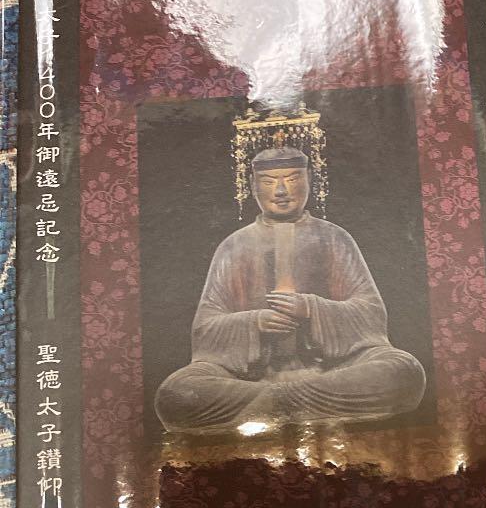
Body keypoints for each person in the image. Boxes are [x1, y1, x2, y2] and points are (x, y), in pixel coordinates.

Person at [155, 146, 426, 431]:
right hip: (253, 378)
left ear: (309, 180)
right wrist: (255, 322)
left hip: (332, 369)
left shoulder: (334, 237)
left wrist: (311, 308)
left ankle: (273, 403)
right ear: (252, 186)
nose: (281, 190)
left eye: (293, 179)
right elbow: (206, 328)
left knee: (403, 371)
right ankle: (293, 402)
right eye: (269, 181)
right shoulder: (234, 246)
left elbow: (370, 314)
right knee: (176, 395)